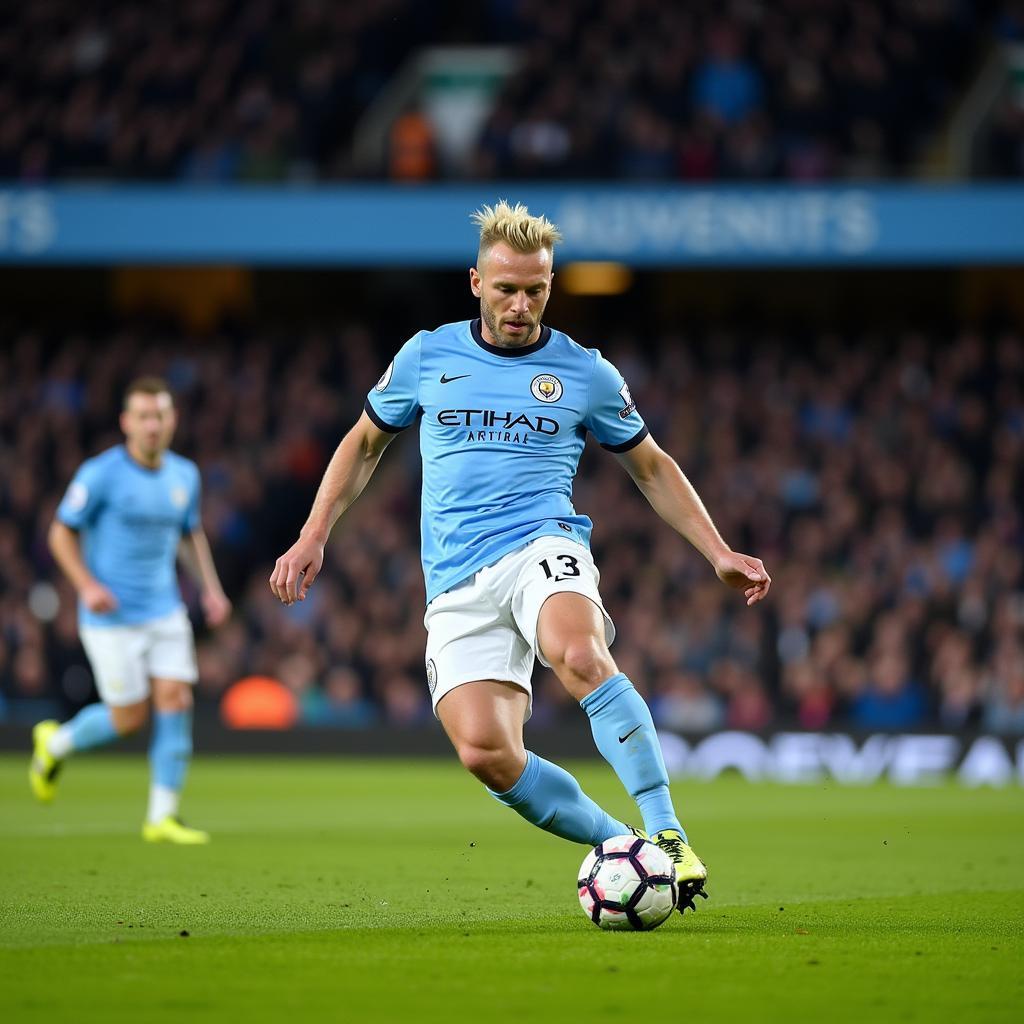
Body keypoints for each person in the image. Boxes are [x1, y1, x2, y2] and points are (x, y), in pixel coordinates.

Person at [269, 201, 771, 912]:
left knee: (580, 653)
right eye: (506, 288)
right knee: (486, 753)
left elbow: (652, 467)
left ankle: (666, 833)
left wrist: (717, 549)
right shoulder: (426, 355)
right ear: (475, 282)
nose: (520, 304)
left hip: (543, 544)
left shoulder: (585, 372)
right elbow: (364, 442)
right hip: (454, 580)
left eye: (536, 289)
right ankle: (618, 842)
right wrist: (315, 530)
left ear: (551, 285)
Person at [30, 377, 231, 844]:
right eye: (143, 416)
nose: (152, 425)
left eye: (159, 415)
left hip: (164, 610)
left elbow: (189, 536)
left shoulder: (185, 476)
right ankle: (54, 742)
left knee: (176, 700)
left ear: (172, 420)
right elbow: (61, 533)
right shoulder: (100, 474)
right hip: (111, 615)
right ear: (126, 422)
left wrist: (211, 591)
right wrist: (86, 585)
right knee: (128, 719)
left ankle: (161, 817)